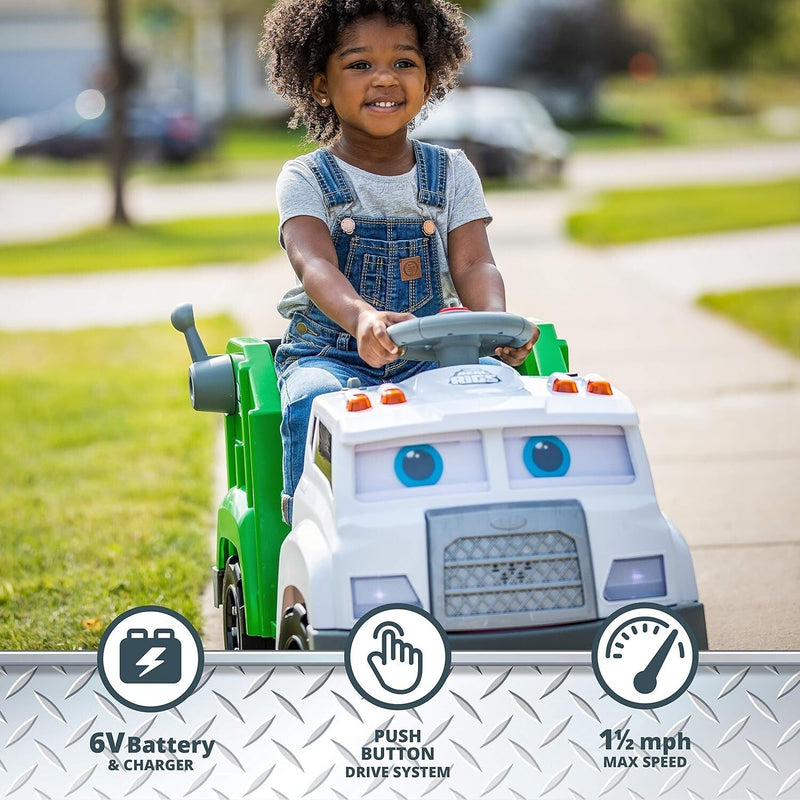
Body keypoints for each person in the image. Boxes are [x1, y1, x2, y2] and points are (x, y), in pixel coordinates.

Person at [260, 0, 539, 523]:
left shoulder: (452, 171)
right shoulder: (305, 178)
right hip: (333, 353)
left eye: (404, 63)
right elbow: (315, 264)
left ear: (429, 79)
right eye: (360, 64)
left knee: (498, 392)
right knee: (313, 400)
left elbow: (475, 263)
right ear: (321, 85)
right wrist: (361, 316)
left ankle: (488, 524)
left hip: (434, 352)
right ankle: (313, 538)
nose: (385, 79)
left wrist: (493, 322)